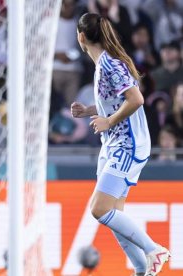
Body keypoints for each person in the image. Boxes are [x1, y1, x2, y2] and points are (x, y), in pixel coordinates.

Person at [71, 13, 170, 276]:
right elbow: (116, 101)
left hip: (127, 145)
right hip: (114, 143)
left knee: (99, 209)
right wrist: (89, 111)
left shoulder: (109, 65)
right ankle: (141, 268)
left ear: (81, 37)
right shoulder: (103, 64)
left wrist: (108, 121)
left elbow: (136, 99)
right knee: (114, 215)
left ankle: (153, 250)